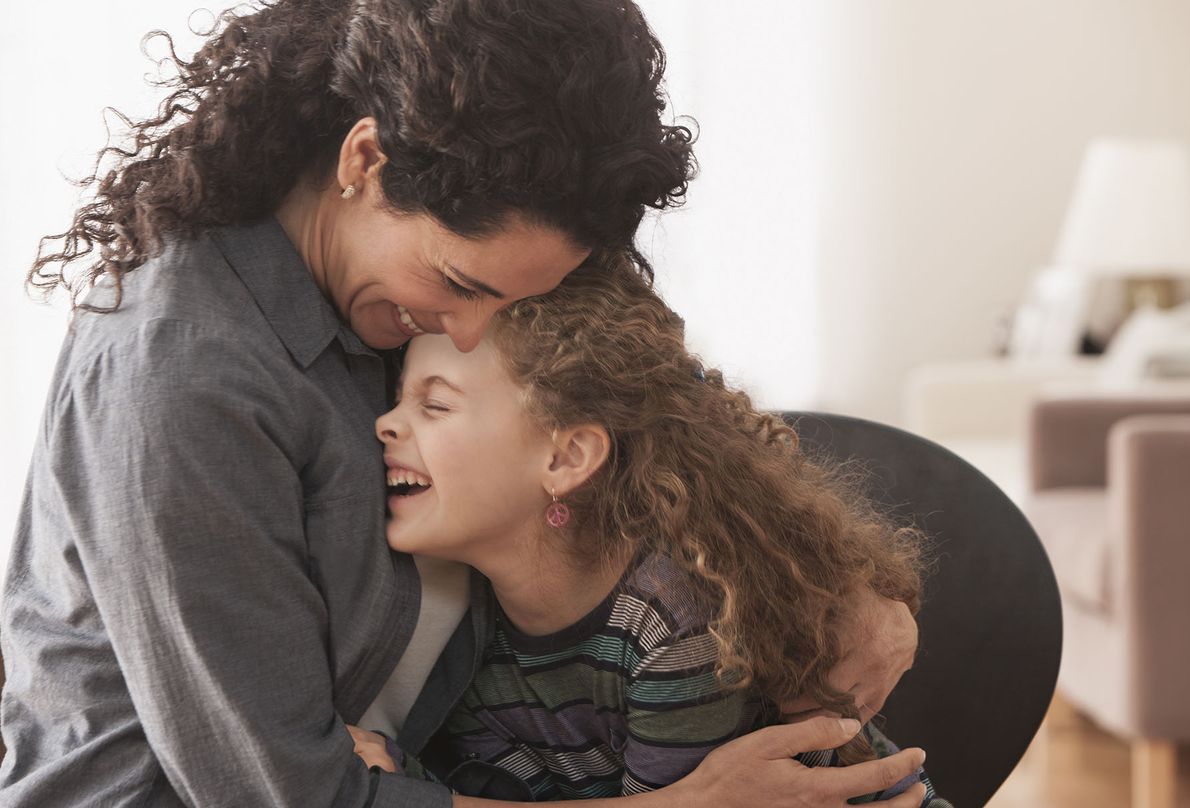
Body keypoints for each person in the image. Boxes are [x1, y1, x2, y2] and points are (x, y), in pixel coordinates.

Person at [1, 1, 919, 806]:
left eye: (512, 304)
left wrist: (843, 591)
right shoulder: (184, 384)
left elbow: (654, 394)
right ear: (366, 158)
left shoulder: (467, 252)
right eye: (456, 284)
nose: (474, 334)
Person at [354, 257, 944, 806]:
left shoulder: (669, 621)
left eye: (434, 406)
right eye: (399, 398)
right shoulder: (469, 632)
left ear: (567, 458)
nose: (383, 422)